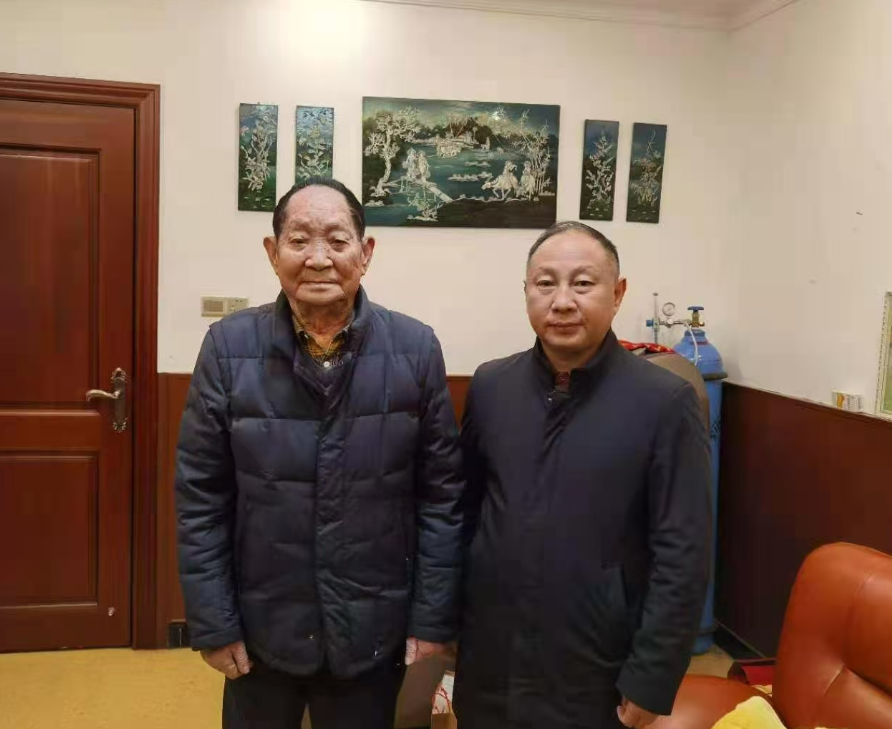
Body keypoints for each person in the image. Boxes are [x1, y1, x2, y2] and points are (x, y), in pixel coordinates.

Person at [175, 177, 464, 729]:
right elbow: (201, 499)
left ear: (366, 252)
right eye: (299, 240)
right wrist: (213, 621)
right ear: (272, 252)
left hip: (372, 625)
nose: (318, 258)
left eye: (336, 240)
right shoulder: (229, 349)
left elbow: (441, 499)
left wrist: (431, 617)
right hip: (261, 624)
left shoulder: (415, 349)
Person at [454, 221, 712, 729]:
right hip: (491, 659)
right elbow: (465, 513)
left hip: (596, 669)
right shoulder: (491, 386)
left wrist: (652, 678)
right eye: (545, 283)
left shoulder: (665, 402)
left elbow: (684, 553)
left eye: (583, 283)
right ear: (526, 291)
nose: (562, 301)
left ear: (617, 294)